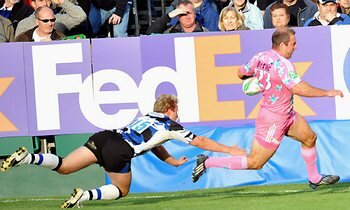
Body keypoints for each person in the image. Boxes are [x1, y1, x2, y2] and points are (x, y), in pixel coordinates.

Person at [0, 94, 245, 208]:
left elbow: (155, 144)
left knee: (64, 167)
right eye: (177, 109)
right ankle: (83, 197)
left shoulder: (147, 116)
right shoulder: (170, 124)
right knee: (121, 190)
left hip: (105, 137)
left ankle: (28, 157)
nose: (179, 114)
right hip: (120, 149)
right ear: (169, 108)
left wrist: (171, 161)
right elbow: (200, 141)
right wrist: (229, 149)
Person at [192, 28, 344, 190]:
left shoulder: (259, 57)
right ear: (283, 44)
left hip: (287, 114)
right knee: (255, 162)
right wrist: (327, 92)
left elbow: (240, 72)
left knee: (309, 138)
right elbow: (298, 88)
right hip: (273, 119)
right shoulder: (284, 64)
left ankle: (314, 178)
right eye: (293, 43)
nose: (296, 47)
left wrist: (255, 81)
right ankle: (207, 162)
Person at [15, 0, 86, 38]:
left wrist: (62, 2)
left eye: (48, 0)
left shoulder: (59, 20)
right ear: (33, 4)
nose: (45, 3)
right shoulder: (23, 24)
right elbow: (17, 49)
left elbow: (81, 16)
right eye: (41, 0)